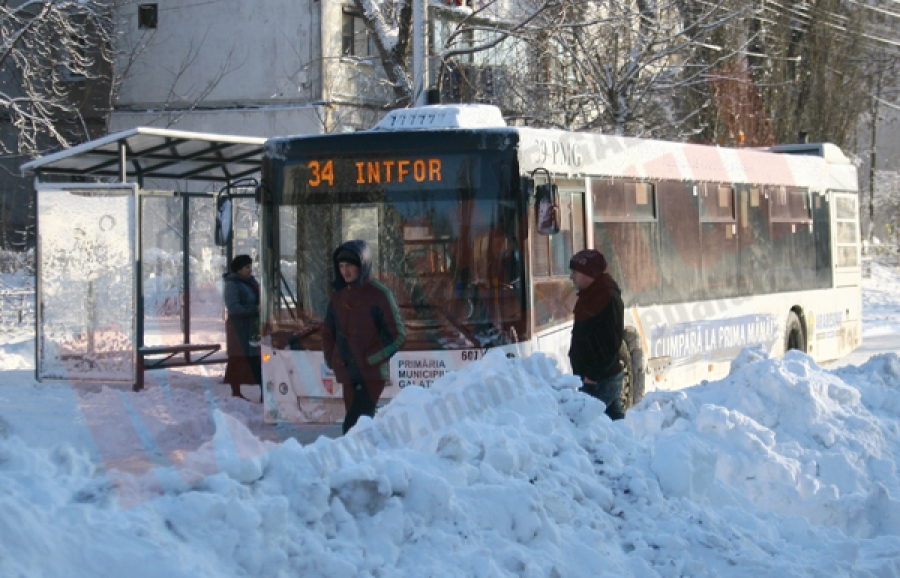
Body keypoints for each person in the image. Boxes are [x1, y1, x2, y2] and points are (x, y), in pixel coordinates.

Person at [322, 240, 406, 434]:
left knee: (352, 426)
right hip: (347, 372)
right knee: (360, 428)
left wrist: (371, 359)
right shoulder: (338, 297)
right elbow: (327, 332)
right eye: (341, 266)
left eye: (350, 265)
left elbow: (398, 335)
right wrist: (331, 358)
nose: (345, 271)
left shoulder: (380, 294)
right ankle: (369, 461)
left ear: (362, 265)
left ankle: (358, 462)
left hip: (371, 374)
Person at [568, 249, 626, 420]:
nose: (571, 277)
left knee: (583, 425)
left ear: (588, 273)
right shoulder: (592, 294)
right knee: (615, 428)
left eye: (574, 272)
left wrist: (592, 376)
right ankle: (630, 447)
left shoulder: (606, 297)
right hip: (600, 378)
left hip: (600, 380)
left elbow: (611, 342)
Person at [223, 254, 262, 401]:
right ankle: (236, 390)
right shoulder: (232, 285)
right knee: (239, 358)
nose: (250, 270)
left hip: (252, 327)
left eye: (250, 266)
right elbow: (234, 308)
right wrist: (254, 309)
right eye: (247, 267)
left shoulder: (252, 283)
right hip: (238, 328)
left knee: (256, 359)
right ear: (239, 269)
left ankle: (263, 392)